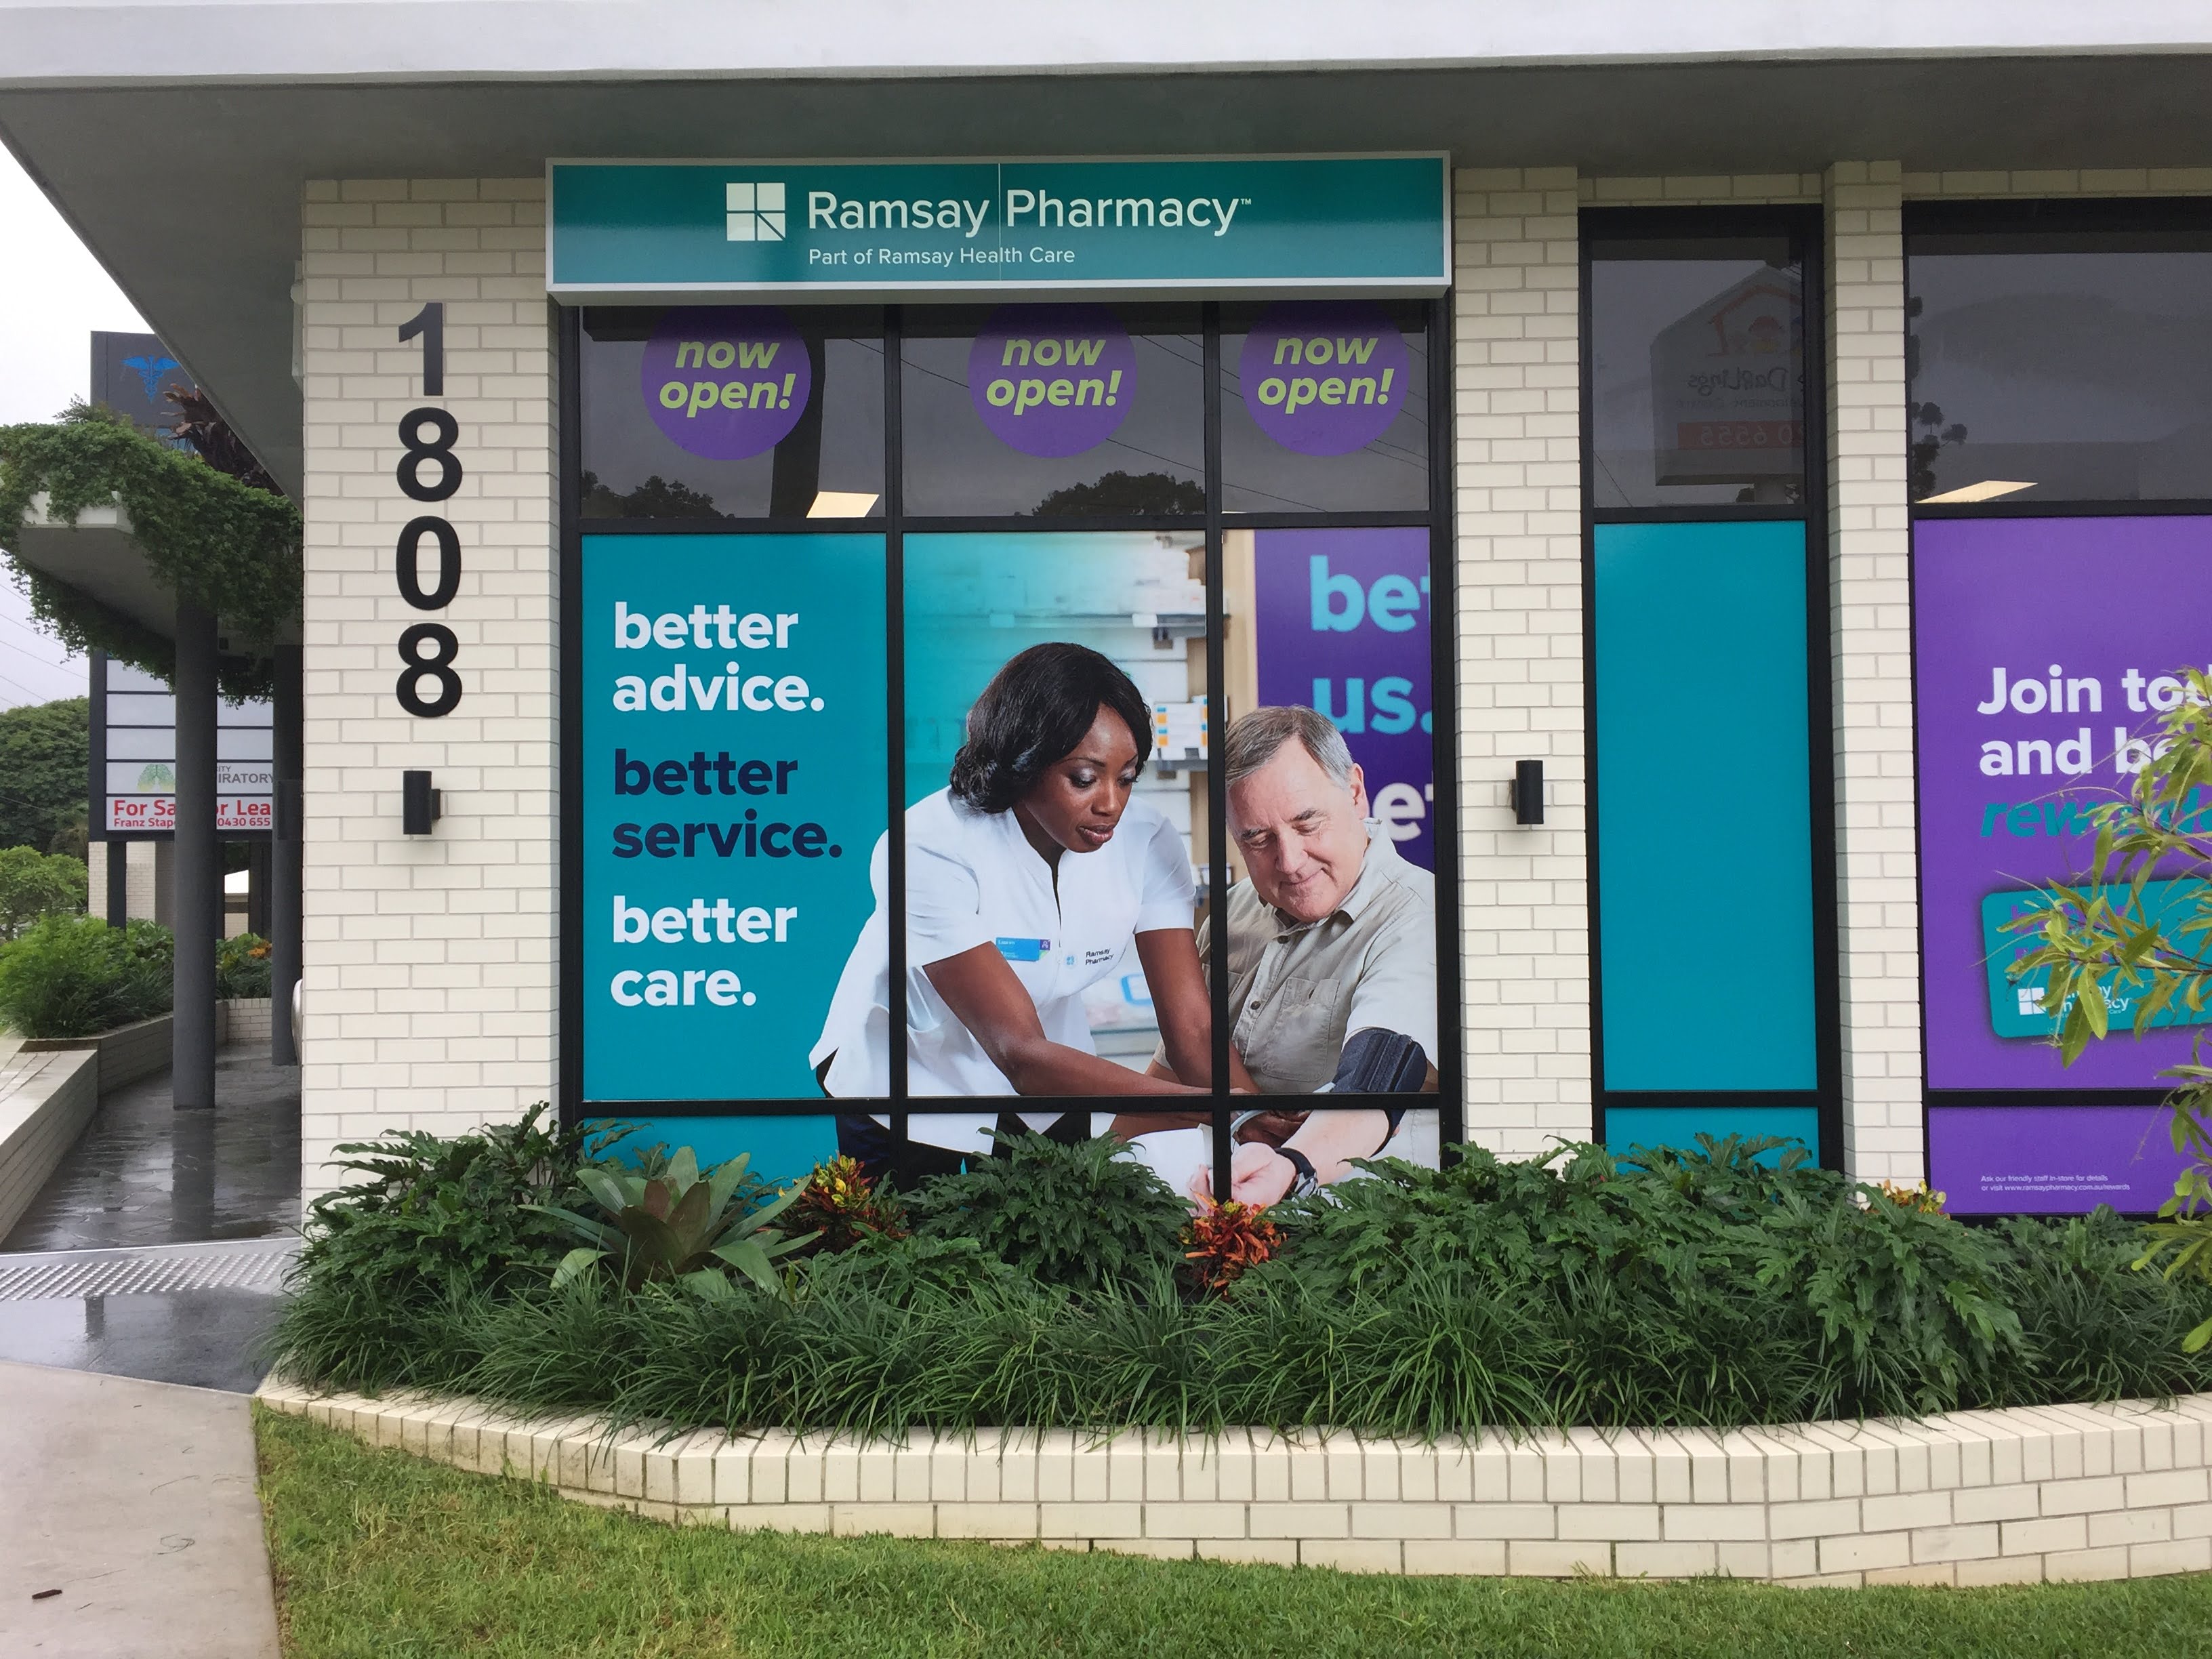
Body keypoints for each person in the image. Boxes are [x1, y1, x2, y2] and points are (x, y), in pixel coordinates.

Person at [813, 642, 1226, 1181]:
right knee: (908, 1227)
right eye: (1084, 778)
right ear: (1023, 762)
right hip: (909, 1066)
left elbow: (1192, 1027)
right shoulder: (928, 846)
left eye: (1127, 777)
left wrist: (1256, 1116)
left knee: (1052, 1222)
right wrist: (1210, 1107)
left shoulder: (1147, 840)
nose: (1111, 803)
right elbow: (1020, 1053)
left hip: (1052, 1065)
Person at [1147, 704, 1437, 1204]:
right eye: (1257, 839)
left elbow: (1378, 1078)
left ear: (1355, 791)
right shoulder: (1231, 917)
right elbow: (1172, 1075)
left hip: (1368, 1228)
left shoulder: (1420, 914)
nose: (1290, 861)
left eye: (1307, 825)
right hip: (1229, 1217)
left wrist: (1291, 1168)